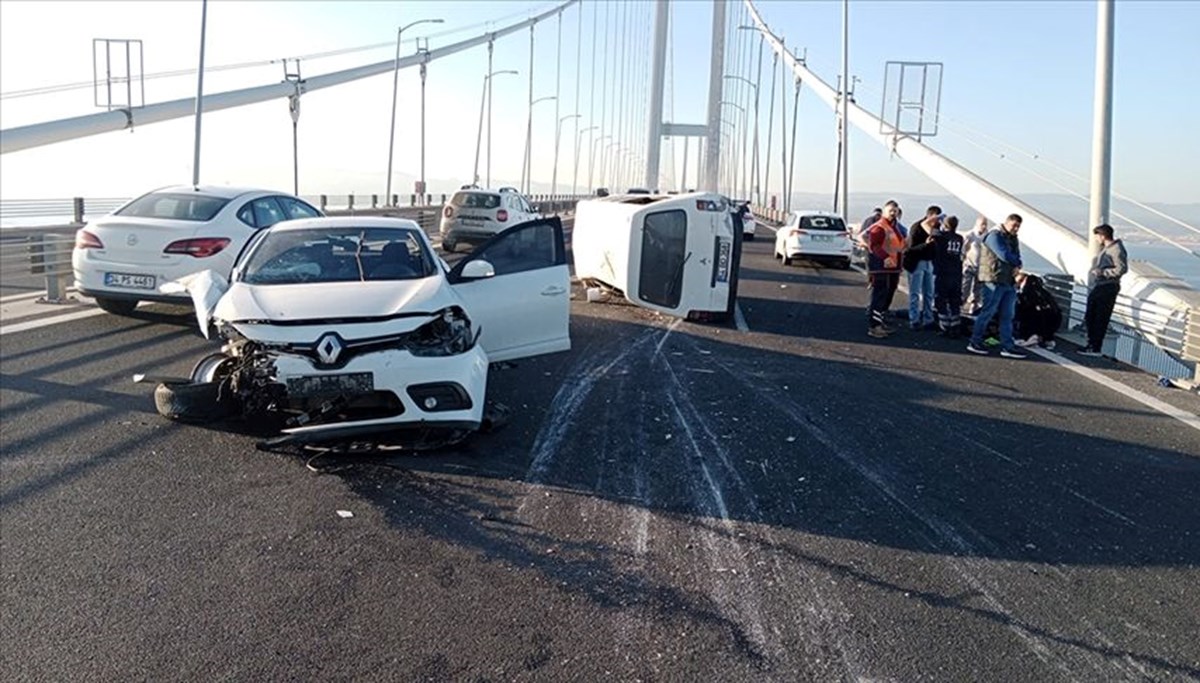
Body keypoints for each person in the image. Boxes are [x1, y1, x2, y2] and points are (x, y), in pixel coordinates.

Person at [967, 214, 1026, 358]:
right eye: (1014, 225)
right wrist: (1017, 263)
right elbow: (1004, 255)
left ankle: (1008, 345)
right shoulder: (994, 236)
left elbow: (1015, 255)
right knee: (988, 311)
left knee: (1008, 315)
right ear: (1007, 223)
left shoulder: (1012, 238)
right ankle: (975, 341)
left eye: (1018, 226)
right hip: (993, 279)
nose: (1016, 229)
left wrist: (1017, 263)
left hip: (1007, 280)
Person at [1079, 223, 1128, 357]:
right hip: (1101, 286)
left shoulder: (1116, 249)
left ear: (1102, 236)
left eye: (1097, 237)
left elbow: (1121, 269)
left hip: (1108, 286)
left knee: (1100, 317)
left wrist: (1103, 272)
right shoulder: (1107, 249)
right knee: (1092, 315)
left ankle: (1095, 347)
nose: (1096, 240)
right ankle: (1091, 345)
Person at [865, 200, 905, 338]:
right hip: (881, 267)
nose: (893, 214)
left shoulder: (894, 227)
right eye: (891, 211)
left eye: (895, 211)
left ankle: (880, 322)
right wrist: (885, 257)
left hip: (893, 268)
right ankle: (874, 326)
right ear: (884, 212)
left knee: (887, 296)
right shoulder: (880, 227)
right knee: (879, 295)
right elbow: (874, 245)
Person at [903, 206, 941, 330]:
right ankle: (914, 319)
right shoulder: (916, 228)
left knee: (929, 293)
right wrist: (926, 244)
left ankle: (927, 318)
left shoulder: (935, 229)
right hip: (917, 262)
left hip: (929, 262)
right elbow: (910, 250)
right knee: (915, 292)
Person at [932, 215, 965, 336]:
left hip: (943, 272)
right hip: (956, 272)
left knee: (941, 299)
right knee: (954, 301)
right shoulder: (959, 238)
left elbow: (933, 232)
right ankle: (955, 327)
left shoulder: (941, 237)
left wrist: (937, 221)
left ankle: (944, 327)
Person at [1013, 271, 1062, 349]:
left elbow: (1023, 311)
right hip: (1054, 320)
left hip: (1036, 322)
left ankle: (1031, 337)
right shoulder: (1044, 293)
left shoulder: (1025, 294)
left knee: (1026, 313)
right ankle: (1047, 339)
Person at [961, 216, 989, 316]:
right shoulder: (970, 235)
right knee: (965, 287)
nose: (984, 226)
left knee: (978, 290)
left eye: (985, 224)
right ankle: (961, 306)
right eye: (982, 224)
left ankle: (974, 308)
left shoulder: (987, 236)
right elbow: (963, 249)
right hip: (969, 265)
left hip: (981, 267)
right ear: (977, 224)